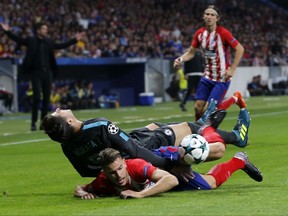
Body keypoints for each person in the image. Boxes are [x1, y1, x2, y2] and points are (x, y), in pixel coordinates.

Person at [40, 102, 250, 179]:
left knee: (153, 125)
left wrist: (111, 177)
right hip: (144, 149)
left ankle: (205, 123)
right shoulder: (99, 125)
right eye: (58, 112)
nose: (58, 108)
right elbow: (135, 150)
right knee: (191, 129)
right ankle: (236, 136)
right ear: (68, 119)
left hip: (125, 150)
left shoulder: (67, 146)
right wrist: (171, 167)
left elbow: (86, 172)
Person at [74, 148, 262, 199]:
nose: (118, 175)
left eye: (120, 169)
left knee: (210, 184)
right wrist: (85, 193)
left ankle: (238, 160)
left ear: (124, 163)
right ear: (104, 173)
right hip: (158, 179)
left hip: (166, 163)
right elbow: (79, 189)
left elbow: (170, 179)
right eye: (111, 173)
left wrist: (140, 194)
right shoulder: (102, 181)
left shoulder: (137, 166)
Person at [0, 22, 85, 131]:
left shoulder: (48, 42)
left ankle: (43, 123)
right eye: (44, 29)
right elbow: (18, 39)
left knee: (46, 100)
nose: (46, 31)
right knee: (36, 98)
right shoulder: (31, 40)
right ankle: (33, 123)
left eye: (46, 29)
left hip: (47, 73)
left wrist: (74, 40)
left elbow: (61, 45)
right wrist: (7, 31)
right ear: (38, 30)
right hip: (35, 73)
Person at [174, 5, 245, 121]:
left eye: (212, 15)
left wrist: (232, 69)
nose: (209, 17)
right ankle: (197, 131)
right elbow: (191, 53)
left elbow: (240, 49)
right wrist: (180, 59)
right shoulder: (200, 34)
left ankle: (235, 98)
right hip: (207, 76)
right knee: (197, 107)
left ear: (217, 18)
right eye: (207, 14)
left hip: (222, 78)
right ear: (203, 16)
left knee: (209, 109)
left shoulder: (223, 33)